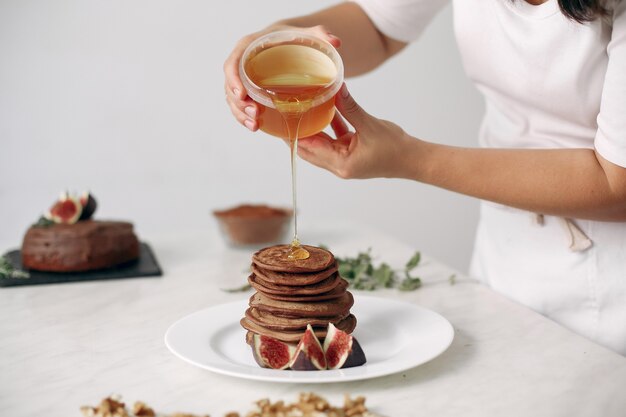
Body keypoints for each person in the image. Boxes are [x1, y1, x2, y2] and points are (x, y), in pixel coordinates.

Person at [224, 0, 626, 356]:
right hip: (502, 261)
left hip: (610, 299)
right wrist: (274, 40)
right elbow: (378, 24)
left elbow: (616, 184)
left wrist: (410, 159)